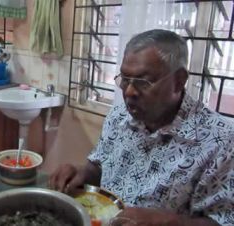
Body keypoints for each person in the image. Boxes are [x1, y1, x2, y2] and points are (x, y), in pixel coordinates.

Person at [50, 29, 234, 226]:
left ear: (179, 81)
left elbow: (223, 220)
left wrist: (166, 222)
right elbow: (100, 167)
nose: (129, 92)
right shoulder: (119, 115)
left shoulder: (220, 140)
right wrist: (81, 173)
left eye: (142, 82)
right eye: (125, 80)